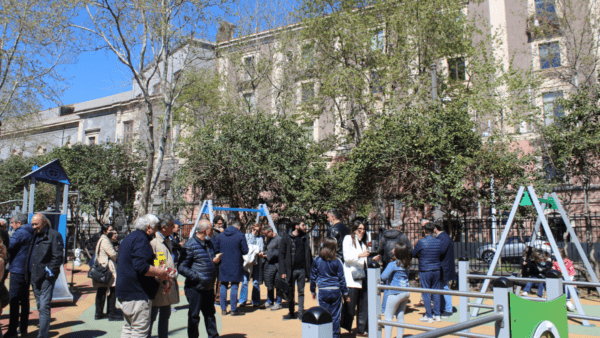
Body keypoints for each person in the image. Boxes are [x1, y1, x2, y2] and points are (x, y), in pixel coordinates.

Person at [116, 214, 171, 337]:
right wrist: (161, 273)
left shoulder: (130, 237)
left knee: (128, 328)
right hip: (137, 293)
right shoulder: (142, 239)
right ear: (148, 227)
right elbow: (141, 266)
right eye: (156, 227)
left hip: (126, 292)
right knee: (139, 331)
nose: (157, 229)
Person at [178, 219, 221, 338]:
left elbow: (211, 260)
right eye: (211, 229)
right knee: (194, 316)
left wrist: (216, 261)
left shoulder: (209, 243)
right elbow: (181, 267)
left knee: (210, 314)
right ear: (204, 231)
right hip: (195, 288)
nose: (213, 232)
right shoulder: (190, 245)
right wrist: (196, 277)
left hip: (208, 287)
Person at [27, 213, 64, 338]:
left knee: (43, 306)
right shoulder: (33, 235)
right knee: (39, 305)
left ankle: (42, 335)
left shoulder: (54, 236)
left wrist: (49, 273)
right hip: (34, 275)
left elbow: (58, 257)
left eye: (35, 224)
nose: (33, 227)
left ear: (43, 222)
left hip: (46, 277)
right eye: (32, 224)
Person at [310, 237, 350, 338]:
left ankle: (324, 335)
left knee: (323, 314)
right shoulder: (337, 261)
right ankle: (335, 335)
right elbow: (342, 279)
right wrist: (346, 294)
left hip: (323, 290)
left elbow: (313, 277)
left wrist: (313, 291)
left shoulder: (317, 260)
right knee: (336, 315)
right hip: (336, 291)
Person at [148, 214, 180, 338]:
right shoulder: (156, 242)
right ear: (163, 227)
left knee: (165, 314)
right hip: (160, 283)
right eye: (172, 226)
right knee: (153, 314)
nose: (174, 228)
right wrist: (164, 275)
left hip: (167, 282)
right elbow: (159, 263)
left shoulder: (166, 240)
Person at [373, 219, 412, 313]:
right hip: (400, 263)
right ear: (399, 227)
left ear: (390, 227)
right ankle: (395, 309)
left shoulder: (384, 236)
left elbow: (379, 250)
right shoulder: (403, 236)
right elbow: (410, 250)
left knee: (387, 285)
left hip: (388, 264)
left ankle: (384, 308)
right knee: (398, 284)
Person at [279, 219, 313, 320]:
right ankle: (291, 312)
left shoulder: (305, 237)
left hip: (301, 270)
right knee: (290, 292)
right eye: (303, 225)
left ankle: (301, 313)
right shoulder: (286, 237)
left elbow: (308, 255)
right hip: (290, 270)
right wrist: (282, 271)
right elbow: (281, 255)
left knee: (301, 292)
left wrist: (308, 272)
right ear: (296, 226)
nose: (305, 227)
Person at [6, 213, 33, 338]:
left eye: (12, 223)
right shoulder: (31, 231)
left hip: (17, 269)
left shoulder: (20, 232)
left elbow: (8, 246)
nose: (11, 225)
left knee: (14, 300)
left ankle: (12, 330)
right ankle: (23, 328)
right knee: (25, 300)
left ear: (19, 223)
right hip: (27, 270)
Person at [341, 219, 370, 336]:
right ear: (354, 229)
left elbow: (364, 260)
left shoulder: (363, 242)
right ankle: (344, 329)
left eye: (363, 229)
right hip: (351, 278)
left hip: (362, 277)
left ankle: (361, 329)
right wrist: (360, 255)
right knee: (350, 305)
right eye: (359, 229)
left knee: (363, 304)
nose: (362, 232)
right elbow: (347, 257)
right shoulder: (348, 239)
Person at [214, 220, 248, 316]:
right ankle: (233, 310)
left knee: (223, 285)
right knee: (234, 286)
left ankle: (223, 309)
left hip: (223, 263)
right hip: (236, 263)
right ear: (238, 227)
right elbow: (245, 250)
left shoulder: (221, 235)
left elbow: (216, 249)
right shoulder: (240, 235)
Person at [412, 221, 442, 323]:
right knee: (436, 292)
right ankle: (437, 315)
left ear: (424, 231)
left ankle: (429, 315)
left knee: (426, 292)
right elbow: (440, 254)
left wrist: (420, 255)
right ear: (434, 230)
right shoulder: (438, 242)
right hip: (436, 269)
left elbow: (413, 253)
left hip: (425, 269)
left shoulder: (421, 242)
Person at [382, 242, 411, 338]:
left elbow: (383, 276)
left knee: (388, 316)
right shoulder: (406, 263)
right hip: (406, 291)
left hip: (395, 292)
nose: (392, 250)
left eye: (394, 249)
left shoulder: (393, 264)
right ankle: (399, 336)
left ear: (397, 252)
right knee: (400, 315)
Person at [94, 225, 121, 321]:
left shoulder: (101, 239)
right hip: (107, 269)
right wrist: (117, 254)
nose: (112, 232)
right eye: (110, 230)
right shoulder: (105, 240)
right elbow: (113, 254)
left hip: (102, 268)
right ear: (105, 231)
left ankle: (99, 313)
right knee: (112, 290)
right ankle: (111, 312)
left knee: (101, 290)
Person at [434, 221, 455, 318]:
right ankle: (443, 308)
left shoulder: (444, 237)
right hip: (443, 266)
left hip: (444, 267)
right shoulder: (443, 237)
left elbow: (441, 251)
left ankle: (448, 309)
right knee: (441, 288)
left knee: (444, 288)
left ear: (435, 228)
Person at [239, 223, 264, 308]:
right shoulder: (246, 236)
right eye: (254, 230)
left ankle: (255, 301)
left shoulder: (260, 238)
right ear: (251, 229)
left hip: (256, 262)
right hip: (246, 262)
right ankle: (242, 300)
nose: (255, 232)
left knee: (255, 282)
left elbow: (260, 249)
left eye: (257, 230)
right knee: (245, 281)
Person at [260, 226, 283, 310]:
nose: (265, 236)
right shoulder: (268, 239)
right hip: (268, 265)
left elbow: (280, 252)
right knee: (269, 283)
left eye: (265, 234)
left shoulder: (279, 239)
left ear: (270, 232)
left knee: (277, 284)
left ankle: (278, 302)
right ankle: (269, 301)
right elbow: (268, 250)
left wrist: (269, 255)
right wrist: (263, 253)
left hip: (277, 265)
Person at [552, 247, 576, 311]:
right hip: (560, 278)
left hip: (569, 277)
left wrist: (569, 278)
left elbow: (572, 272)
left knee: (568, 285)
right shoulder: (555, 262)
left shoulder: (567, 261)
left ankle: (568, 300)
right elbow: (554, 271)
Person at [212, 215, 226, 304]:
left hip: (222, 259)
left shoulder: (223, 232)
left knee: (220, 280)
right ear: (215, 224)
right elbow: (213, 245)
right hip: (214, 258)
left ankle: (218, 298)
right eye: (219, 224)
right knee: (213, 280)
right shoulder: (213, 233)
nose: (220, 225)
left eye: (222, 224)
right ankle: (211, 298)